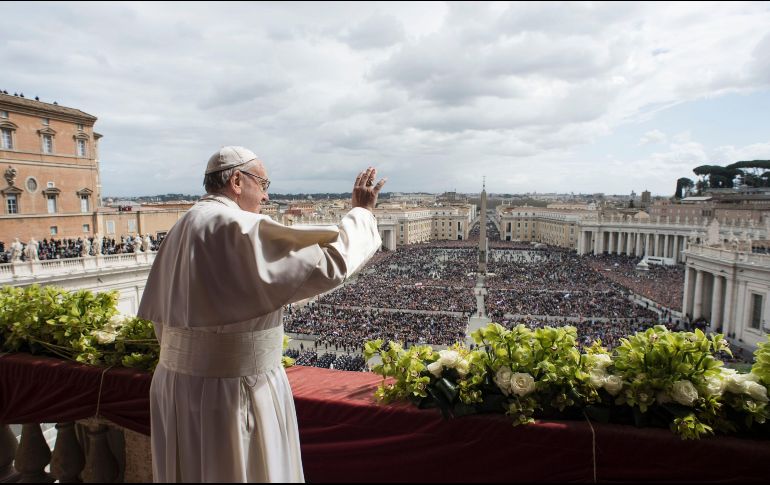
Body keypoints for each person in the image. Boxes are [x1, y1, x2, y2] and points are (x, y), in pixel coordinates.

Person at [137, 146, 386, 483]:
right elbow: (329, 265)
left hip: (175, 385)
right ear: (237, 181)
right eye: (264, 184)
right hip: (233, 390)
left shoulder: (183, 226)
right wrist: (361, 213)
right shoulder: (235, 226)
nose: (267, 197)